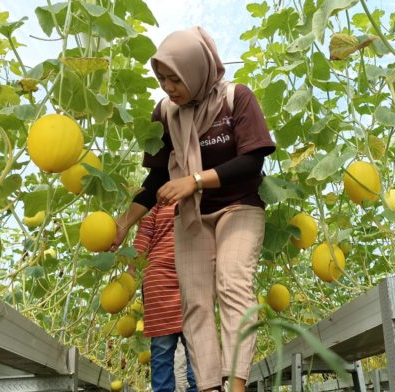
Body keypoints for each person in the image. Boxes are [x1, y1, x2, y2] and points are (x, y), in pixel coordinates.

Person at [112, 27, 275, 392]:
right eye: (161, 78)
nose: (168, 87)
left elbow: (252, 160)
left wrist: (195, 180)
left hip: (239, 207)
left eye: (175, 78)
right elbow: (156, 179)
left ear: (197, 70)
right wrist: (124, 224)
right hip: (193, 215)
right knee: (195, 301)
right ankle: (208, 387)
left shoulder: (237, 98)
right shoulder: (166, 114)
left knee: (233, 283)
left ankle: (236, 385)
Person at [129, 203, 197, 392]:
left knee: (197, 348)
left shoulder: (200, 194)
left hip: (194, 278)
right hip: (159, 281)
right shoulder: (158, 203)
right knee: (161, 349)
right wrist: (131, 269)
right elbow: (144, 234)